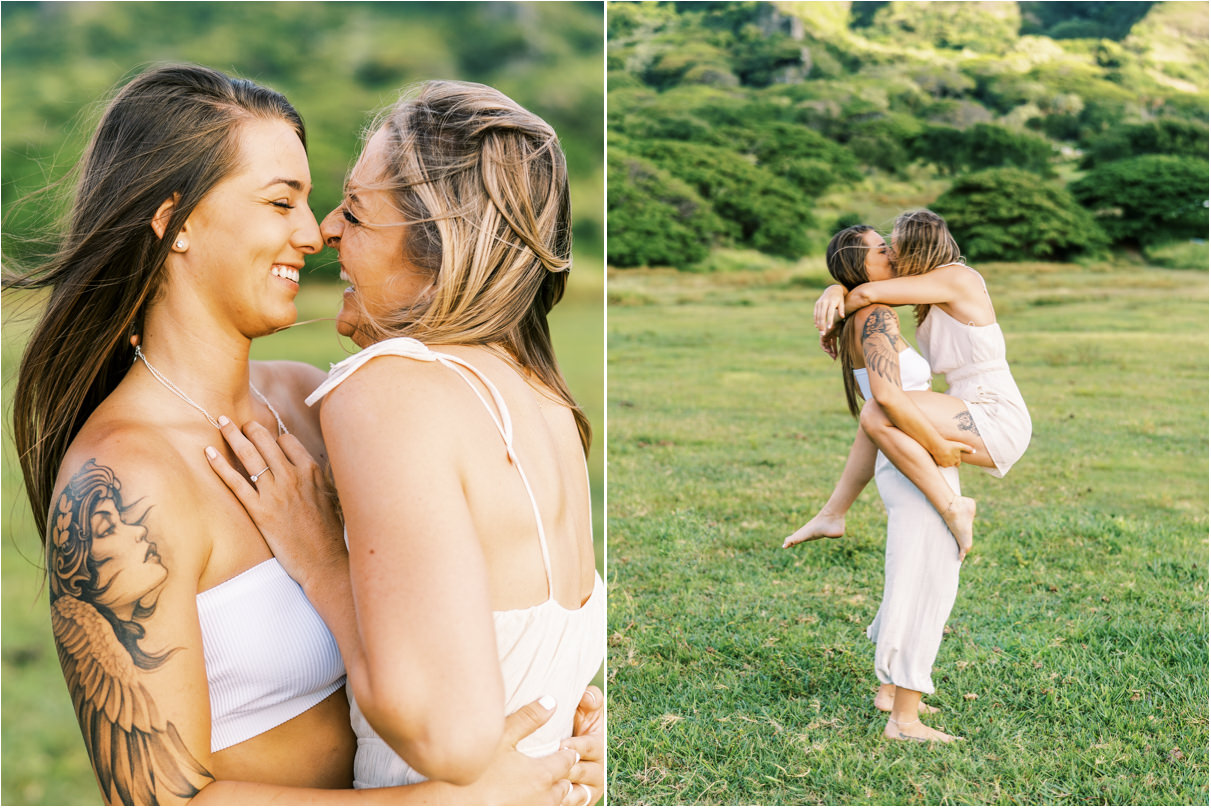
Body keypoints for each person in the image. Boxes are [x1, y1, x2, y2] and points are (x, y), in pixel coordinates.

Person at [8, 64, 600, 805]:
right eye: (281, 200)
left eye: (318, 201)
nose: (311, 232)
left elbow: (457, 614)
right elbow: (158, 799)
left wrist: (559, 734)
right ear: (176, 220)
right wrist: (447, 802)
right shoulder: (122, 479)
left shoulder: (307, 402)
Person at [207, 79, 605, 798]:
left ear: (436, 245)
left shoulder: (390, 389)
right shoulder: (543, 402)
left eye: (356, 213)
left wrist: (322, 562)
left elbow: (449, 738)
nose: (326, 230)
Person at [787, 225, 964, 742]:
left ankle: (890, 691)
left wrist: (837, 290)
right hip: (915, 459)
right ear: (860, 266)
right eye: (882, 249)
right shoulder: (877, 315)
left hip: (901, 456)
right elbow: (885, 401)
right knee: (926, 578)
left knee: (910, 570)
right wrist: (941, 446)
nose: (894, 250)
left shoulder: (864, 310)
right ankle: (903, 721)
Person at [785, 210, 1031, 561]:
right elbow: (865, 287)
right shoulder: (930, 287)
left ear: (916, 248)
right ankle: (832, 514)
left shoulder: (956, 278)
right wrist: (836, 287)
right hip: (963, 402)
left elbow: (866, 293)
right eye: (885, 250)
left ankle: (953, 507)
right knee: (880, 411)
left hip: (993, 410)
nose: (893, 256)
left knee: (879, 408)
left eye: (894, 247)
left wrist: (833, 303)